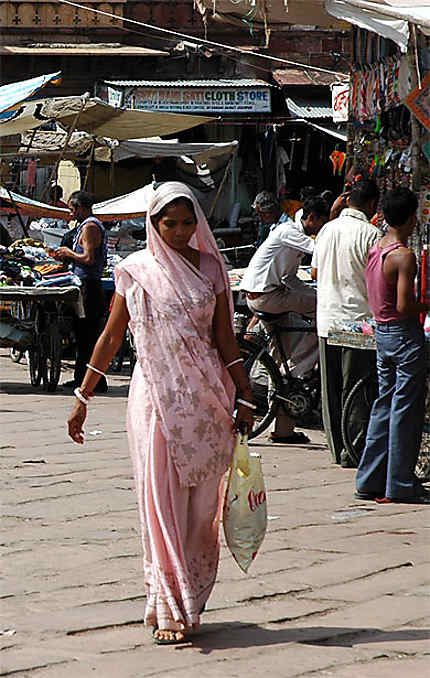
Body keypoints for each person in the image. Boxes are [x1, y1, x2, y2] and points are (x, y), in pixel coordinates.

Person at [66, 182, 255, 644]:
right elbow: (111, 338)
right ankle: (167, 604)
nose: (179, 231)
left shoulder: (212, 269)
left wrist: (245, 393)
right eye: (169, 223)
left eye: (187, 222)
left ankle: (191, 594)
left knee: (200, 508)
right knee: (160, 502)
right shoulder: (134, 271)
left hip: (208, 402)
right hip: (155, 400)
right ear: (153, 224)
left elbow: (224, 340)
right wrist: (83, 396)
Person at [355, 187, 430, 504]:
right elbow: (404, 305)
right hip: (402, 334)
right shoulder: (403, 256)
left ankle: (371, 478)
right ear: (412, 218)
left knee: (385, 405)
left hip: (383, 334)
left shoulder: (377, 248)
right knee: (404, 410)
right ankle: (399, 483)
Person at [241, 196, 330, 443]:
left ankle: (282, 429)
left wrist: (313, 292)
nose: (320, 229)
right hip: (265, 296)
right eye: (321, 223)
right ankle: (301, 369)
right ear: (311, 218)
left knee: (280, 363)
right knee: (324, 313)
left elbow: (290, 278)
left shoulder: (290, 235)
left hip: (271, 294)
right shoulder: (288, 231)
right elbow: (320, 250)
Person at [311, 179, 380, 465]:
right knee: (356, 388)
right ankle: (352, 449)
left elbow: (315, 272)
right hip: (357, 322)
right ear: (373, 205)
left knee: (332, 388)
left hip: (328, 319)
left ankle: (337, 447)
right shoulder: (372, 234)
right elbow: (377, 281)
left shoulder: (327, 229)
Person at [53, 190, 108, 392]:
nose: (70, 214)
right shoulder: (83, 227)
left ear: (81, 208)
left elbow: (88, 258)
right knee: (82, 334)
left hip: (89, 287)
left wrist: (68, 252)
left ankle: (95, 381)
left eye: (71, 209)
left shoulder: (91, 227)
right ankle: (81, 378)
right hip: (82, 285)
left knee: (88, 335)